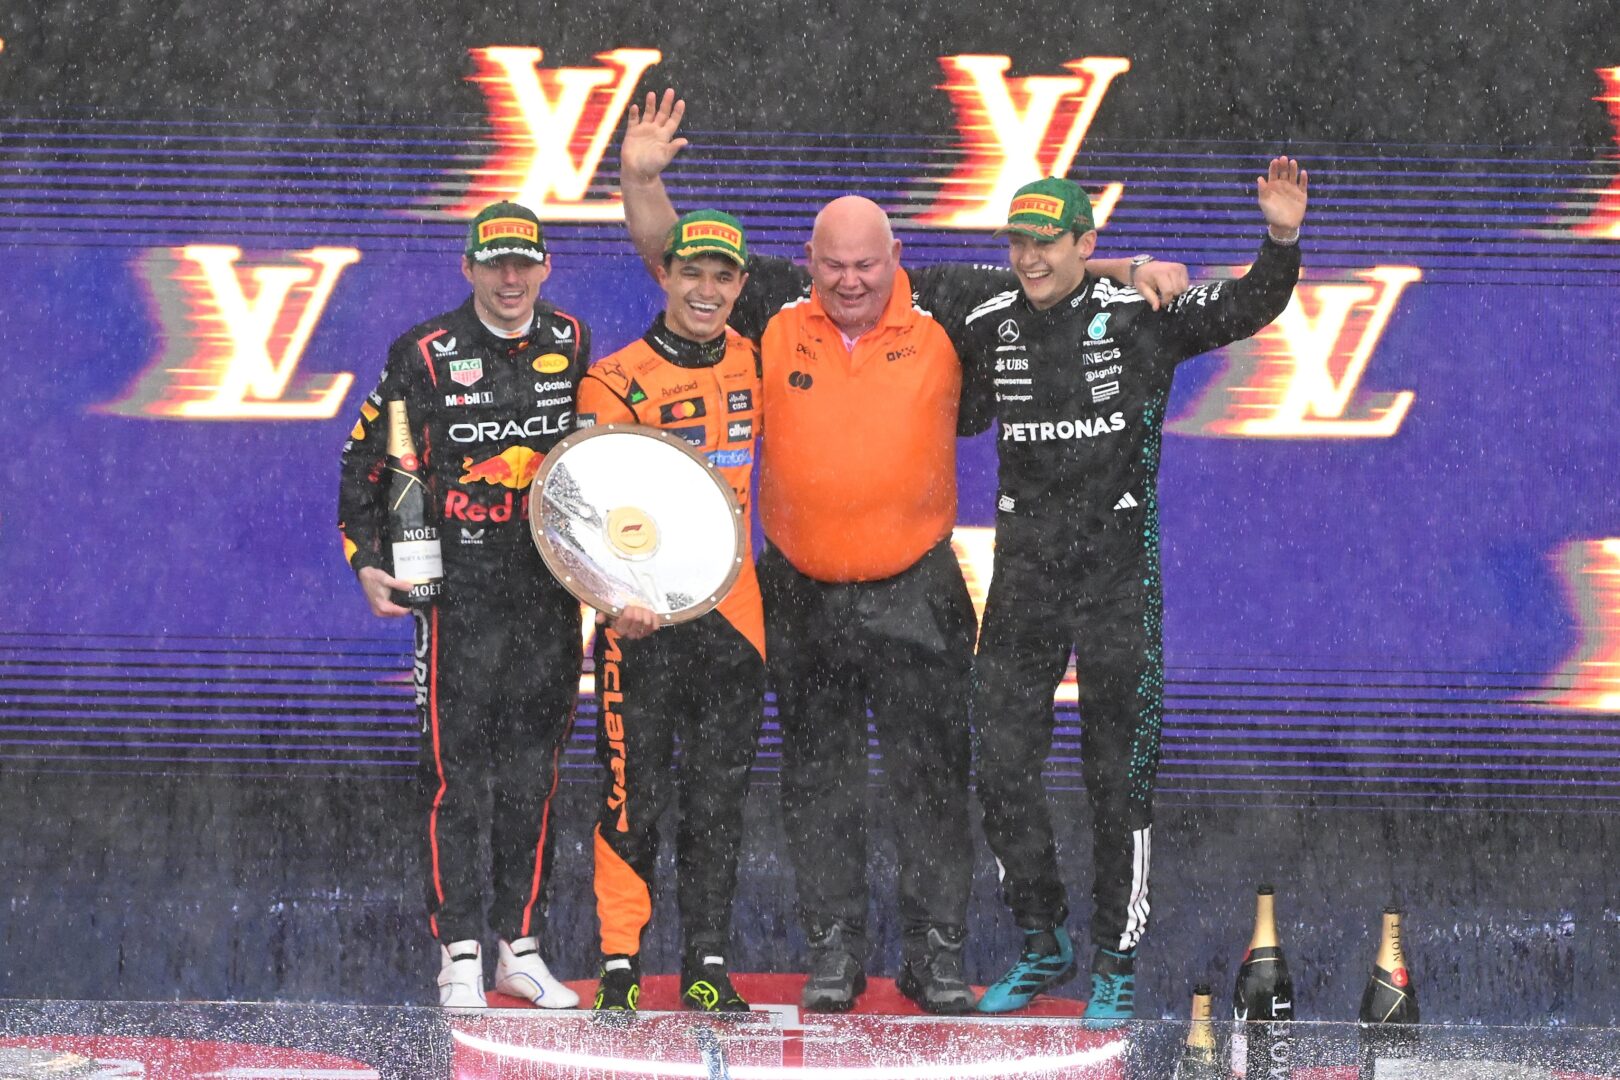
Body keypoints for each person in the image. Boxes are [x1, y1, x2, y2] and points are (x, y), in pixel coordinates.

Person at [618, 91, 1191, 1015]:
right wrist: (642, 179)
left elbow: (1049, 276)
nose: (850, 281)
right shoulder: (771, 305)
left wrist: (1134, 266)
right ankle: (835, 953)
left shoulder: (949, 303)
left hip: (916, 587)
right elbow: (673, 260)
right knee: (818, 781)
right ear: (807, 262)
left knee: (933, 781)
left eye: (867, 264)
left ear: (896, 257)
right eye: (833, 265)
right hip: (799, 587)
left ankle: (936, 957)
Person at [962, 162, 1308, 1020]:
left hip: (1117, 583)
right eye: (1017, 242)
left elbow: (1249, 303)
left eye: (1047, 243)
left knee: (1118, 776)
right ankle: (1042, 939)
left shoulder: (1139, 314)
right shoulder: (986, 314)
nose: (1029, 258)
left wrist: (1281, 238)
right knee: (998, 761)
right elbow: (880, 285)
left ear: (1085, 243)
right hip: (1024, 581)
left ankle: (1116, 957)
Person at [337, 201, 591, 1009]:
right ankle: (458, 954)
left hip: (548, 593)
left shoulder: (572, 340)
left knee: (533, 775)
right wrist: (366, 559)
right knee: (455, 776)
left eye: (524, 262)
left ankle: (521, 947)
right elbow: (364, 461)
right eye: (495, 263)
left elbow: (597, 462)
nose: (510, 278)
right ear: (468, 268)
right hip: (457, 594)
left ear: (545, 267)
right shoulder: (423, 352)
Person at [573, 210, 766, 1015]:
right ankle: (620, 963)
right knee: (631, 795)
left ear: (742, 285)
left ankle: (707, 963)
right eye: (692, 273)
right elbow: (579, 509)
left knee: (719, 799)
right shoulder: (613, 379)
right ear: (664, 274)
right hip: (641, 623)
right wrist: (616, 597)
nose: (706, 290)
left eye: (723, 276)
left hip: (735, 620)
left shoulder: (758, 357)